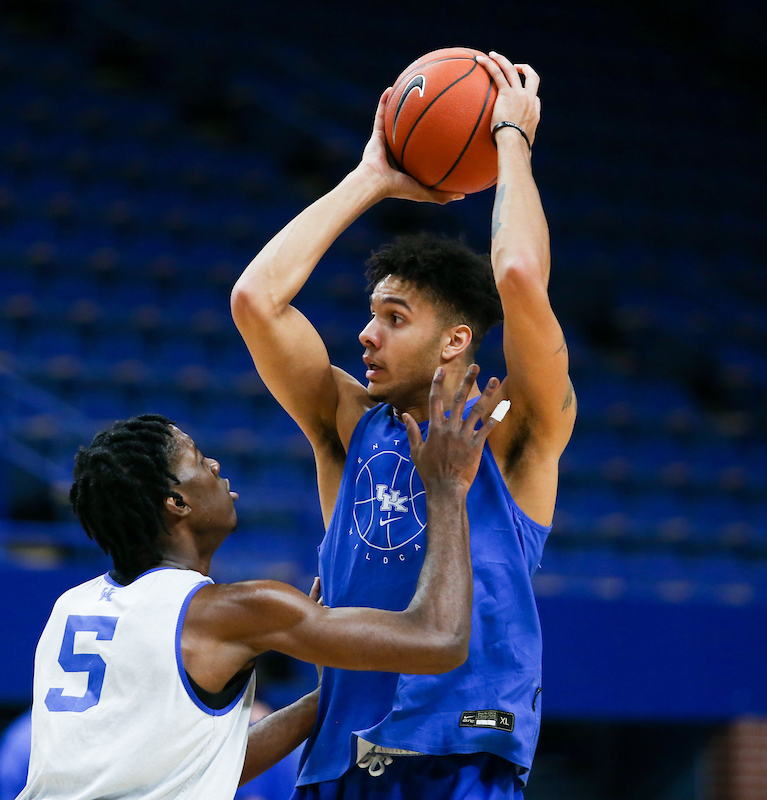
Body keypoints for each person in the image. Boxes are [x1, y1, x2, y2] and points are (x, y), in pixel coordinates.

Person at [230, 51, 574, 799]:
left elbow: (516, 276)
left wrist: (510, 137)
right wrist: (372, 177)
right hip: (338, 764)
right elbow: (257, 300)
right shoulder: (350, 426)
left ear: (455, 340)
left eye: (393, 318)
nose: (365, 336)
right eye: (370, 314)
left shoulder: (514, 429)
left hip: (460, 755)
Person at [18, 366, 507, 800]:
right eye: (197, 459)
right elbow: (441, 642)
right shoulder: (231, 611)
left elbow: (198, 767)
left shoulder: (72, 606)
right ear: (177, 503)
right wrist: (446, 490)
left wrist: (325, 695)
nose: (213, 466)